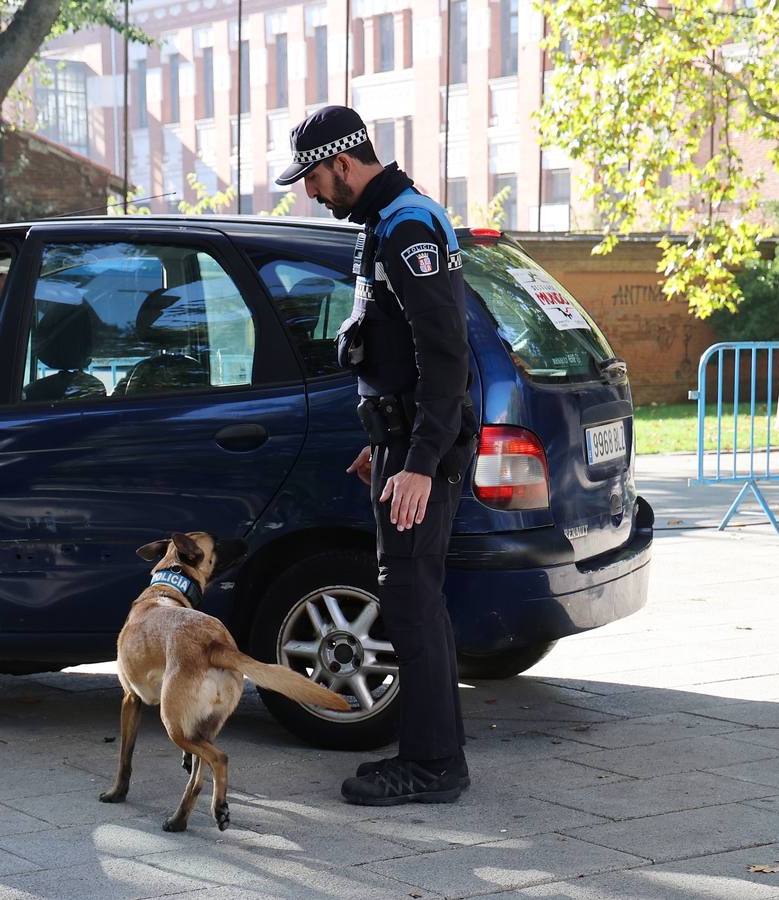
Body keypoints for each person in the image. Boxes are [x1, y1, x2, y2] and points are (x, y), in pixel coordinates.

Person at [275, 105, 477, 806]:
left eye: (313, 177)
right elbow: (391, 350)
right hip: (398, 442)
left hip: (421, 451)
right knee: (416, 599)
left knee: (410, 600)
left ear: (343, 162)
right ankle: (437, 755)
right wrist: (384, 443)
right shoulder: (387, 223)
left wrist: (419, 459)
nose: (310, 192)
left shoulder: (406, 228)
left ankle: (430, 766)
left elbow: (445, 352)